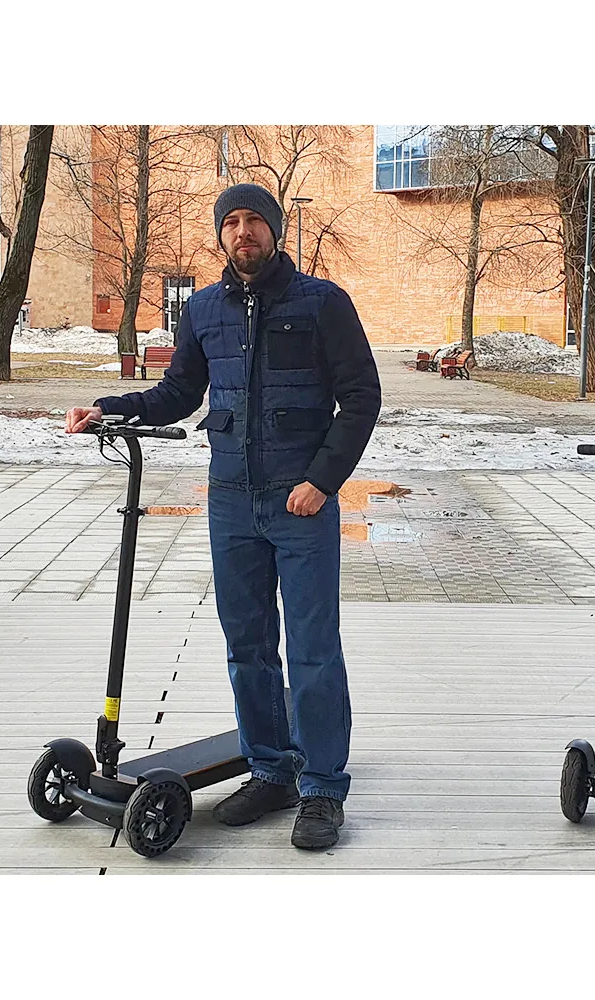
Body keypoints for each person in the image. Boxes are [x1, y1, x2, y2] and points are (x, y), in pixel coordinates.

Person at [65, 183, 381, 849]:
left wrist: (322, 481)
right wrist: (109, 409)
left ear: (275, 229)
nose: (243, 232)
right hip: (232, 501)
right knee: (247, 645)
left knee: (313, 650)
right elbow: (179, 391)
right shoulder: (204, 309)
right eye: (231, 222)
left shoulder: (323, 303)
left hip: (301, 503)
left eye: (254, 221)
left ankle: (323, 787)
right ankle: (271, 770)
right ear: (220, 234)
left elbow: (360, 397)